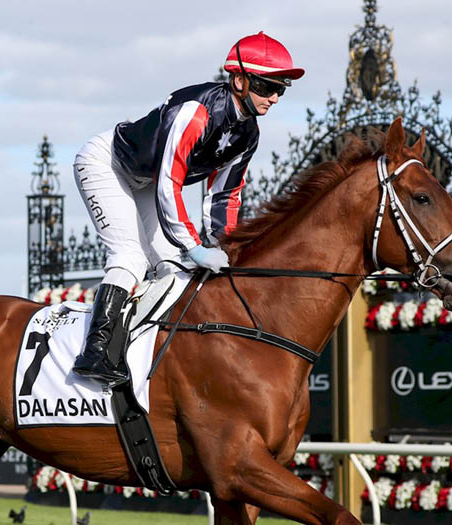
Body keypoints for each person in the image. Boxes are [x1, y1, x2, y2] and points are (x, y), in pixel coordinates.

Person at [72, 32, 305, 384]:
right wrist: (195, 246)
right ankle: (95, 352)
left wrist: (225, 247)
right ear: (239, 80)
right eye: (266, 86)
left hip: (146, 180)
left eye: (280, 90)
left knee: (172, 268)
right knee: (130, 257)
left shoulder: (248, 134)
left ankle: (148, 355)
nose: (273, 97)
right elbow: (169, 183)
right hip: (107, 165)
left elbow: (224, 197)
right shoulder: (196, 113)